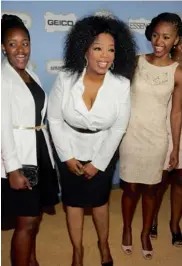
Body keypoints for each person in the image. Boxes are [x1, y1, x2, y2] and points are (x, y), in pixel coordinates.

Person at [48, 14, 136, 266]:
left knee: (99, 202)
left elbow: (119, 128)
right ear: (84, 50)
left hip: (103, 151)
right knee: (73, 203)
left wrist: (98, 162)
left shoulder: (121, 85)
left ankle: (103, 245)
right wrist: (67, 156)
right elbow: (54, 119)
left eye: (110, 49)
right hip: (69, 150)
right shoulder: (66, 79)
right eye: (98, 48)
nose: (105, 56)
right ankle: (77, 251)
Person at [119, 12, 182, 260]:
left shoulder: (178, 72)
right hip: (131, 135)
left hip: (158, 138)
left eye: (166, 37)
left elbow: (176, 113)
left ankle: (145, 232)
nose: (159, 41)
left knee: (151, 191)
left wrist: (175, 147)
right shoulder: (135, 62)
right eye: (155, 34)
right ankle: (126, 229)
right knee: (131, 188)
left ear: (176, 41)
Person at [1, 14, 59, 266]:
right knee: (25, 222)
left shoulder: (30, 74)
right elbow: (2, 127)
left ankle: (32, 261)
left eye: (25, 42)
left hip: (38, 152)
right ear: (3, 47)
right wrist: (12, 168)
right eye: (12, 44)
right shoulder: (3, 79)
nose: (20, 49)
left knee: (33, 218)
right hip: (19, 157)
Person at [150, 36, 182, 246]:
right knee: (158, 180)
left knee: (180, 180)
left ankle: (174, 224)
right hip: (162, 126)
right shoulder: (163, 66)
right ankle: (151, 220)